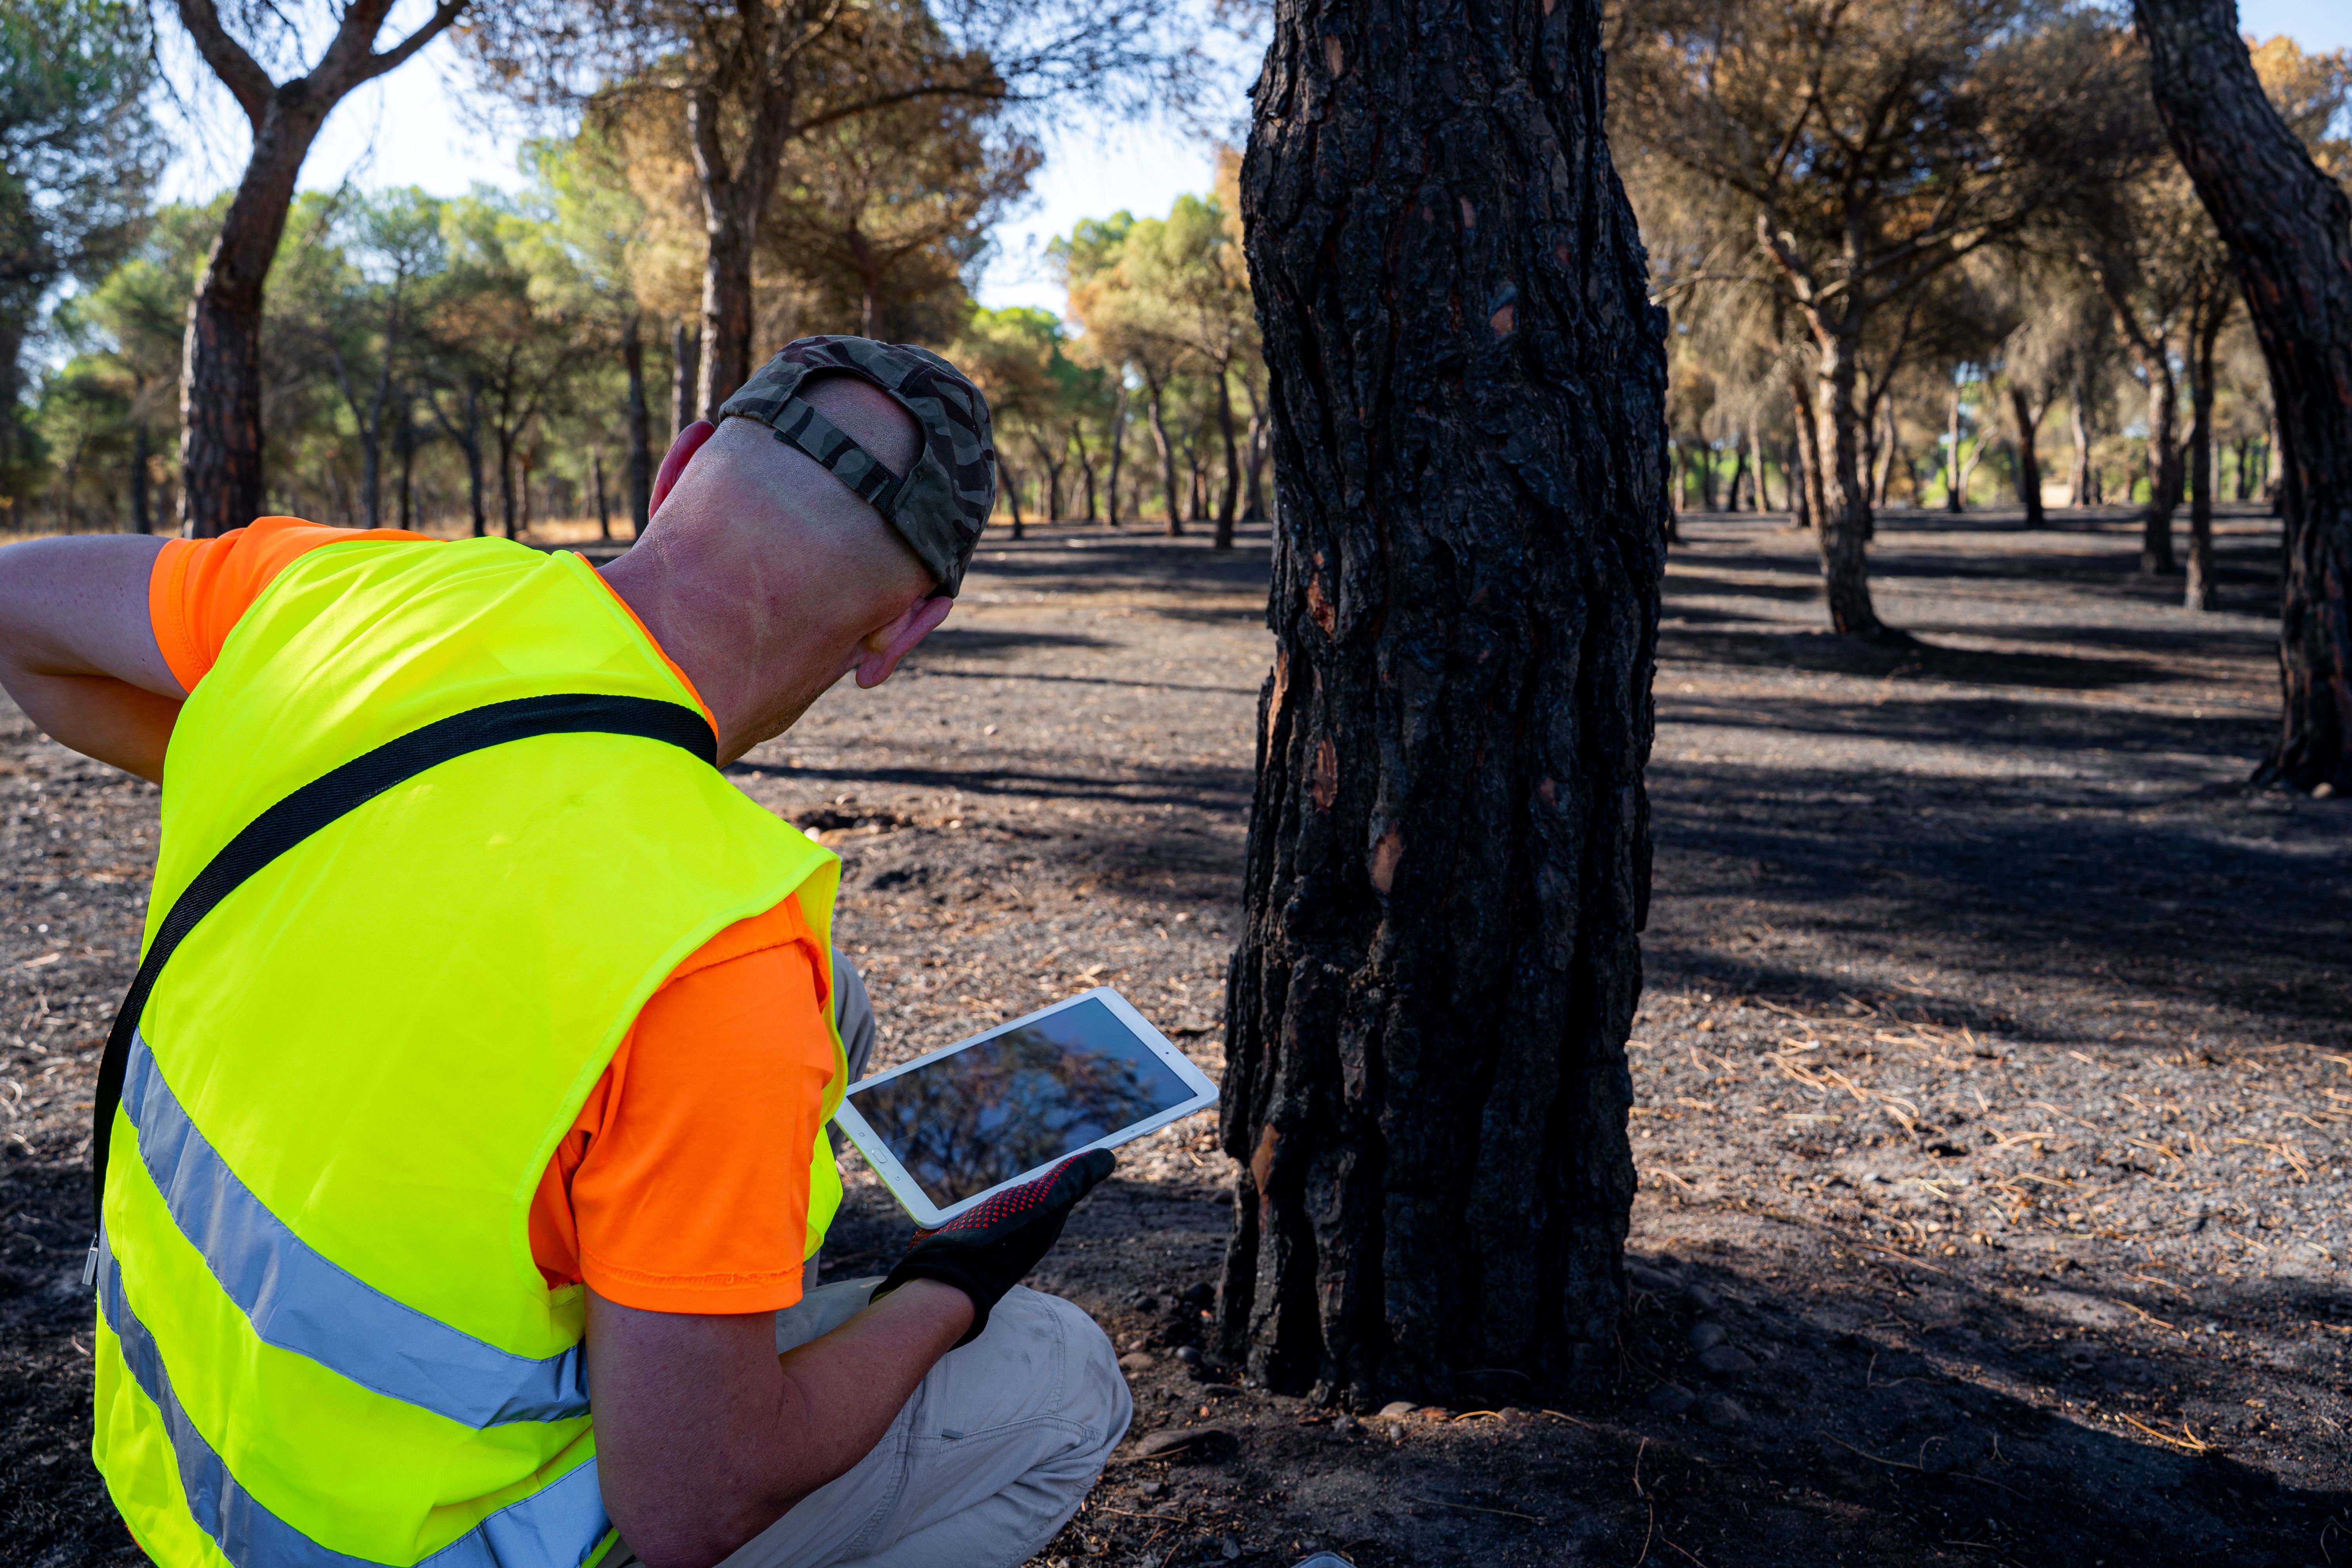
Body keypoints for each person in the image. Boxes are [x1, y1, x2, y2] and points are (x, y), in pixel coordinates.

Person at [0, 338, 1130, 1568]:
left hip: (177, 1444)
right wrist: (948, 1287)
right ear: (903, 630)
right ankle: (703, 1352)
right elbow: (696, 1510)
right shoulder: (717, 961)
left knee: (833, 1004)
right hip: (396, 1541)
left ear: (679, 466)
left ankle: (689, 1313)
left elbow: (22, 609)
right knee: (1057, 1378)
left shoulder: (349, 592)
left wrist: (277, 754)